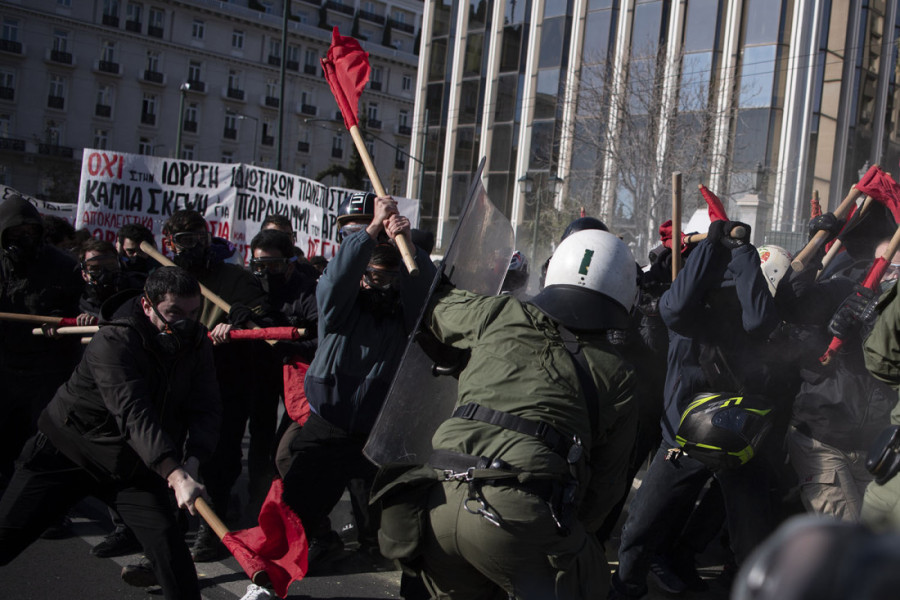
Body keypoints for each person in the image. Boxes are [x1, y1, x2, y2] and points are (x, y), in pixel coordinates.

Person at [375, 229, 638, 599]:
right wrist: (563, 530)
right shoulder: (618, 373)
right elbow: (605, 489)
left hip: (433, 502)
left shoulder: (499, 312)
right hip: (517, 515)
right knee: (590, 578)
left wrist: (410, 247)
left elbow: (436, 304)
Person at [0, 266, 221, 600]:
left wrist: (193, 461)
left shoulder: (195, 341)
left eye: (193, 313)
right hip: (67, 452)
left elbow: (206, 406)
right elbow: (133, 411)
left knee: (170, 552)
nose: (184, 323)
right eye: (174, 313)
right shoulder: (114, 339)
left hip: (132, 465)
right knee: (7, 536)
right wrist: (174, 474)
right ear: (148, 306)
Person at [611, 220, 787, 599]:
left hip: (736, 439)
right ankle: (625, 590)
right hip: (682, 436)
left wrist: (741, 255)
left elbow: (760, 320)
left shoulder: (746, 305)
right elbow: (674, 309)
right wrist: (711, 247)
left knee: (752, 539)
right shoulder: (687, 311)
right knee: (641, 528)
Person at [281, 192, 435, 571]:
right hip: (329, 424)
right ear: (362, 277)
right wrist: (368, 231)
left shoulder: (405, 319)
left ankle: (390, 561)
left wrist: (411, 247)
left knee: (399, 523)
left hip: (379, 432)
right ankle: (272, 575)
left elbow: (425, 294)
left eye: (391, 279)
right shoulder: (339, 312)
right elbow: (335, 284)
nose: (382, 287)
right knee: (296, 506)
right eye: (374, 278)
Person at [160, 209, 275, 561]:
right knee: (170, 457)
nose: (195, 245)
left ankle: (214, 529)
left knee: (220, 459)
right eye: (185, 240)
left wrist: (246, 315)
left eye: (200, 237)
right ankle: (170, 533)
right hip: (174, 385)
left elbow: (262, 316)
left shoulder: (233, 278)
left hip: (225, 384)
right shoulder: (162, 280)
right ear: (170, 244)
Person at [0, 194, 83, 493]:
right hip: (4, 368)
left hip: (46, 371)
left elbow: (81, 306)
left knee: (41, 444)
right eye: (16, 232)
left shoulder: (63, 266)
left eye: (30, 231)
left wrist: (61, 320)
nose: (24, 238)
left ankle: (40, 505)